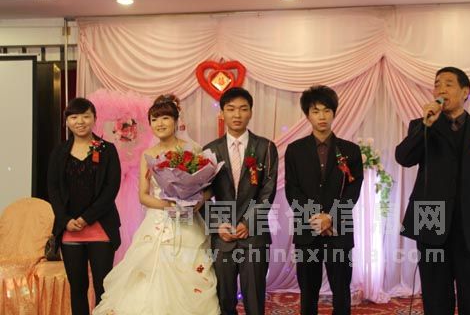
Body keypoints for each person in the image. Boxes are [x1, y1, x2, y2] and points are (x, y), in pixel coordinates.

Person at [395, 67, 470, 315]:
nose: (441, 89)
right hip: (430, 218)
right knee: (435, 296)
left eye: (448, 84)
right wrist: (425, 125)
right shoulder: (422, 125)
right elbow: (403, 158)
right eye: (437, 84)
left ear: (465, 92)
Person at [93, 94, 219, 315]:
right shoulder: (148, 155)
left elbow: (209, 188)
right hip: (159, 221)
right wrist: (169, 205)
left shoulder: (193, 149)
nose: (160, 123)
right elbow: (143, 196)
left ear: (176, 121)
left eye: (165, 118)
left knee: (190, 274)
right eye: (154, 119)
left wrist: (197, 201)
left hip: (188, 221)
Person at [285, 85, 363, 315]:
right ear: (307, 115)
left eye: (327, 110)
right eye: (316, 111)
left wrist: (331, 217)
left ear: (334, 113)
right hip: (307, 230)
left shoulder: (350, 150)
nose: (322, 116)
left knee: (341, 291)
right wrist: (315, 218)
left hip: (339, 231)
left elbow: (353, 190)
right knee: (308, 292)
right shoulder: (295, 150)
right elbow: (292, 190)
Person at [204, 87, 278, 315]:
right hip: (222, 236)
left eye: (243, 109)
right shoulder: (210, 150)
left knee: (254, 299)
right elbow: (202, 195)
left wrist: (248, 222)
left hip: (254, 236)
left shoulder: (265, 147)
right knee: (223, 299)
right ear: (222, 113)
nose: (237, 114)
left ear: (251, 113)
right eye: (231, 109)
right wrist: (218, 225)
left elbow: (268, 191)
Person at [47, 97, 121, 315]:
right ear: (67, 121)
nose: (80, 121)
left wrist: (86, 218)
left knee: (103, 288)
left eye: (86, 116)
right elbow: (53, 189)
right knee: (77, 289)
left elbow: (111, 189)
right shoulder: (59, 152)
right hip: (70, 231)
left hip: (101, 229)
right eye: (74, 117)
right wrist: (65, 220)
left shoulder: (107, 149)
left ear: (94, 118)